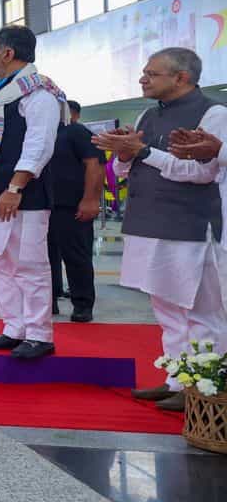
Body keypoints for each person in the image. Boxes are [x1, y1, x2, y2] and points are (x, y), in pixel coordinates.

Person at [93, 48, 227, 411]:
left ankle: (205, 388)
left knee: (200, 312)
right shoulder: (148, 114)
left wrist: (142, 152)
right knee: (166, 309)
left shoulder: (214, 114)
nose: (143, 79)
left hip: (190, 224)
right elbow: (124, 172)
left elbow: (202, 173)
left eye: (152, 73)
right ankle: (176, 380)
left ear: (181, 77)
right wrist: (124, 154)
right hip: (147, 222)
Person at [0, 26, 68, 360]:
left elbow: (39, 145)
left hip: (21, 197)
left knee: (28, 265)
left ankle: (39, 334)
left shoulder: (38, 93)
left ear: (8, 53)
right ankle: (14, 327)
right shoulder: (0, 93)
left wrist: (15, 186)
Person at [48, 100, 104, 322]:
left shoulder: (76, 132)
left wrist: (90, 199)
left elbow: (95, 164)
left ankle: (82, 304)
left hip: (72, 205)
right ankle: (48, 300)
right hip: (42, 205)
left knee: (76, 256)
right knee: (43, 257)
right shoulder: (41, 132)